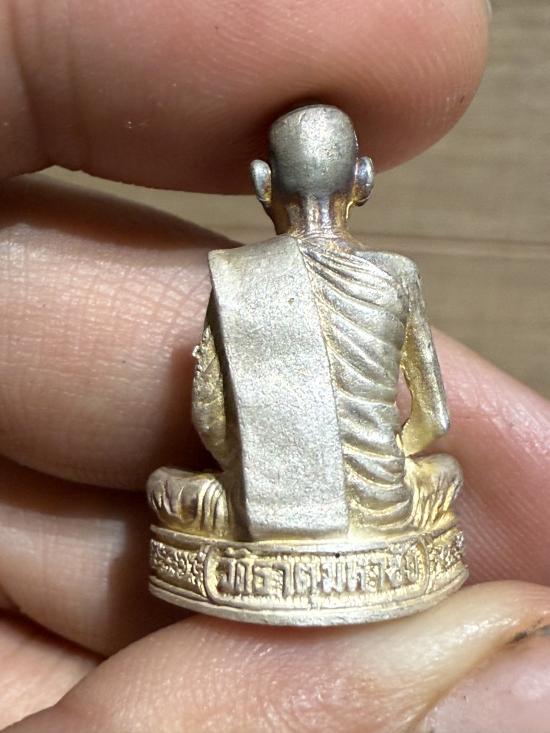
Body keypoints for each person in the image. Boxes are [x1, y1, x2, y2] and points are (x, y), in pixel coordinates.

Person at [0, 1, 549, 731]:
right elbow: (433, 418)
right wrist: (384, 460)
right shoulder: (394, 275)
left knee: (172, 490)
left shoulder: (235, 279)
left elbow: (210, 420)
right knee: (442, 474)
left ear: (263, 183)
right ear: (363, 178)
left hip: (257, 516)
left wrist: (262, 464)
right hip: (384, 516)